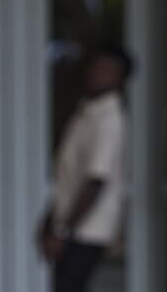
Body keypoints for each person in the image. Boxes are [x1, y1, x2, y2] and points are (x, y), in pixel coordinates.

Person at [38, 46, 130, 292]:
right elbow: (69, 177)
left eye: (106, 71)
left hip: (86, 229)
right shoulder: (87, 112)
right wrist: (52, 219)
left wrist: (62, 230)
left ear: (119, 79)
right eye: (95, 68)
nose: (96, 74)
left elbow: (95, 181)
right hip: (71, 223)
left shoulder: (110, 119)